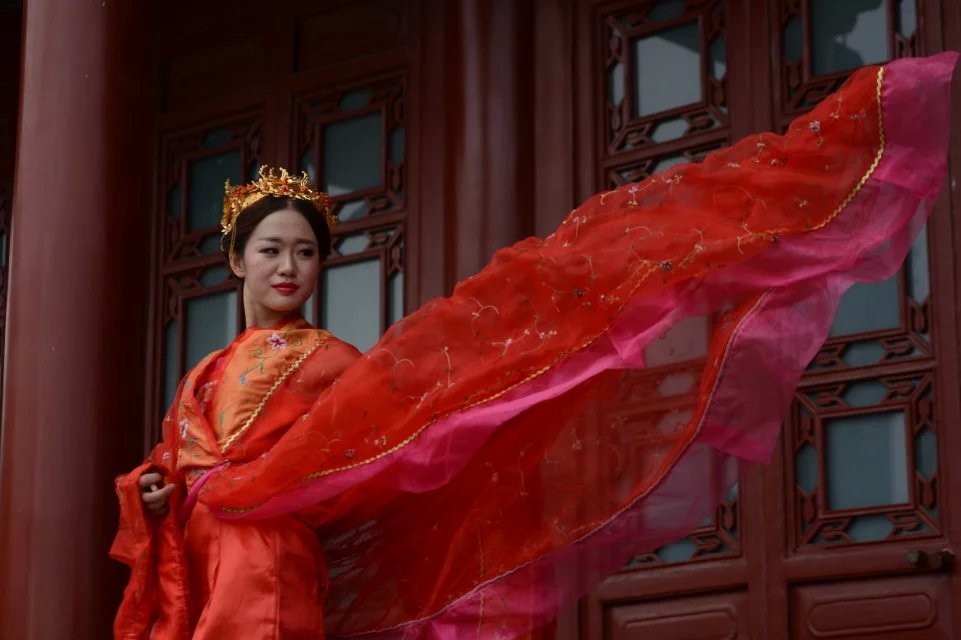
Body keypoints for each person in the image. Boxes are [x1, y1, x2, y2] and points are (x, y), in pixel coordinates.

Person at [112, 53, 958, 639]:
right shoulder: (205, 372)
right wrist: (154, 495)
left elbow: (387, 456)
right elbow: (174, 466)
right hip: (201, 570)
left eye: (304, 252)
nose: (288, 267)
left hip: (269, 568)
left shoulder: (333, 363)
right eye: (271, 251)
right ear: (236, 262)